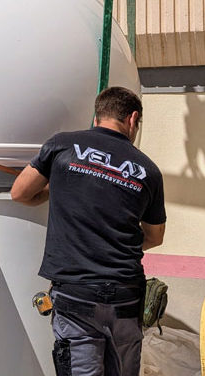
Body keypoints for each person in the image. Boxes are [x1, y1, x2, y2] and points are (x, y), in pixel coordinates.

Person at [11, 86, 165, 376]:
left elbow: (19, 193)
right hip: (125, 295)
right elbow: (155, 236)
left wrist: (53, 187)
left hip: (75, 294)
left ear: (97, 116)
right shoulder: (148, 170)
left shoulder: (61, 146)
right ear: (133, 119)